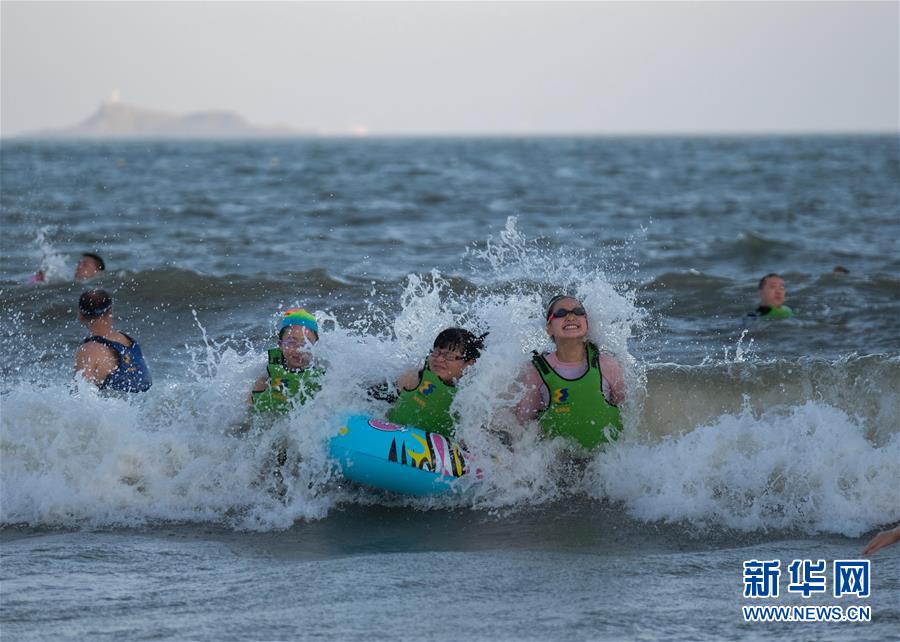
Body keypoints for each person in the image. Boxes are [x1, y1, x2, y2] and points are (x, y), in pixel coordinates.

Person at [515, 295, 625, 450]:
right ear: (549, 328)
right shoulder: (537, 372)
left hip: (605, 464)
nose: (571, 316)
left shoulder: (608, 365)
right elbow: (523, 427)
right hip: (558, 465)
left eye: (578, 312)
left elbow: (629, 416)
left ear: (587, 323)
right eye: (561, 313)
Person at [385, 328, 487, 438]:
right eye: (436, 352)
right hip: (395, 439)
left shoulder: (477, 395)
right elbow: (372, 400)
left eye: (449, 356)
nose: (438, 359)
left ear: (469, 363)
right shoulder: (415, 377)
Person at [74, 289, 152, 392]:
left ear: (81, 316)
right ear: (110, 311)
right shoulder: (129, 341)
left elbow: (80, 396)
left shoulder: (89, 350)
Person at [250, 308, 323, 413]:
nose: (299, 349)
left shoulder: (321, 369)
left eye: (306, 343)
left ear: (315, 345)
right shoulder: (270, 371)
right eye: (291, 342)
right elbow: (252, 402)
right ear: (281, 345)